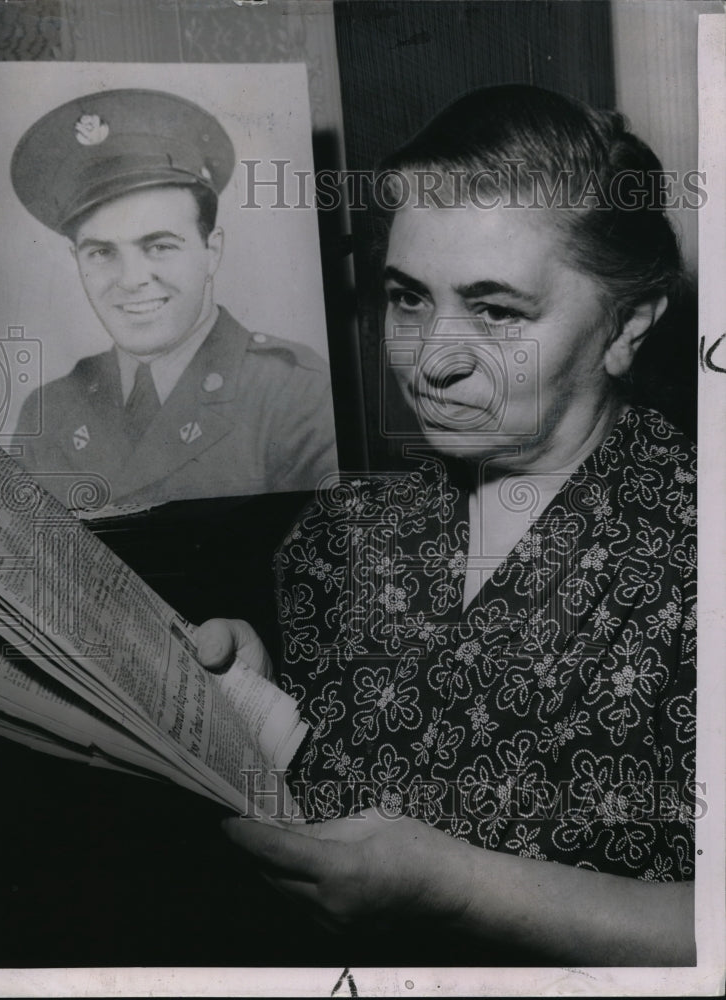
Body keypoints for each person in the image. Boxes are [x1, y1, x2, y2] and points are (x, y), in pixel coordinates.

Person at [196, 85, 696, 965]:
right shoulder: (344, 531)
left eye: (498, 311)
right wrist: (254, 708)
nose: (432, 360)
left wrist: (457, 889)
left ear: (628, 327)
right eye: (408, 298)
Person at [10, 88, 337, 509]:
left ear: (211, 250)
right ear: (76, 259)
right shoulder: (49, 412)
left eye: (159, 246)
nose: (131, 280)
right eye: (102, 253)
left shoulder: (294, 393)